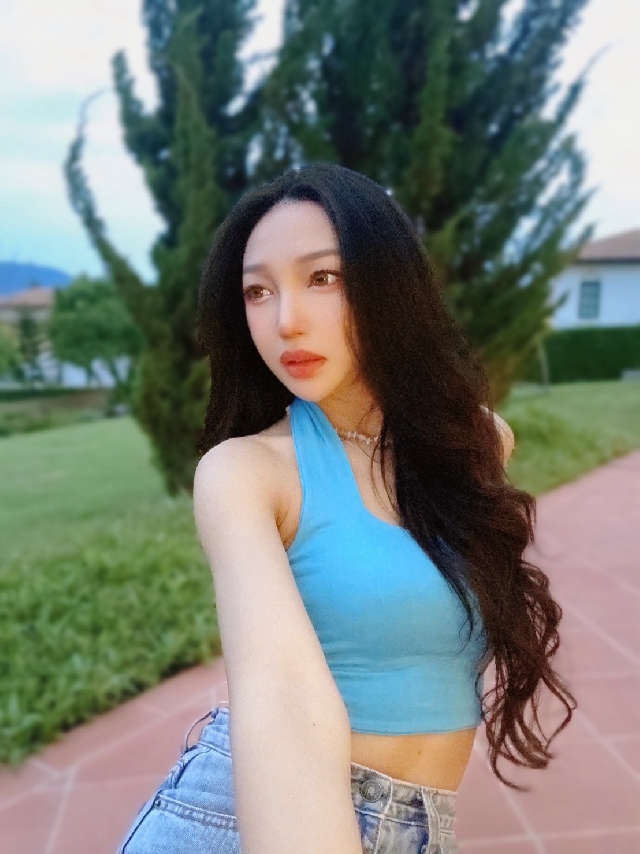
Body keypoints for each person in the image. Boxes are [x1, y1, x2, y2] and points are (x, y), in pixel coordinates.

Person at [117, 164, 575, 854]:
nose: (286, 320)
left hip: (418, 829)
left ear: (389, 282)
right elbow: (281, 698)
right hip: (255, 822)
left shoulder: (474, 444)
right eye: (257, 291)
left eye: (323, 277)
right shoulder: (246, 473)